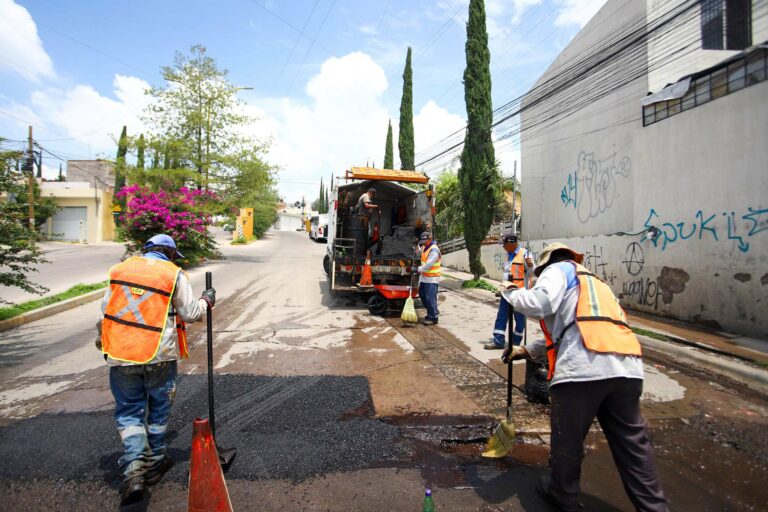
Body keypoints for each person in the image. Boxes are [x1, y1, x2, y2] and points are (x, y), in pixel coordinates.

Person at [502, 242, 667, 512]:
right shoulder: (595, 283)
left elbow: (540, 303)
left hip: (584, 368)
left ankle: (562, 493)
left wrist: (512, 293)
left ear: (545, 265)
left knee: (567, 437)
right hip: (626, 367)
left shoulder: (557, 270)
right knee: (633, 446)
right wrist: (526, 350)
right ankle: (654, 507)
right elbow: (576, 326)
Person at [96, 234, 216, 505]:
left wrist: (102, 340)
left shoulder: (121, 270)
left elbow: (106, 310)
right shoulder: (173, 274)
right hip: (159, 355)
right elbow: (190, 313)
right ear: (171, 254)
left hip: (122, 353)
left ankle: (134, 471)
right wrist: (207, 300)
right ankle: (156, 461)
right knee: (158, 409)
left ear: (146, 250)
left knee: (129, 412)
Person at [483, 232, 534, 350]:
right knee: (502, 316)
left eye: (504, 244)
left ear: (511, 244)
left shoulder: (525, 254)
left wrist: (530, 265)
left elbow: (532, 273)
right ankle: (498, 341)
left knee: (520, 320)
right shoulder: (508, 255)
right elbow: (507, 273)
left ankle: (515, 343)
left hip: (519, 293)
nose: (503, 247)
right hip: (506, 292)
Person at [417, 231, 441, 325]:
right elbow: (418, 252)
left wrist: (418, 269)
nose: (423, 241)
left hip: (432, 278)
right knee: (422, 295)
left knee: (430, 298)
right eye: (422, 240)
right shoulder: (424, 247)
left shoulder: (434, 250)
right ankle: (433, 310)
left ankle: (433, 317)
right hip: (424, 277)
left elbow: (429, 264)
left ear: (430, 239)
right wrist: (416, 245)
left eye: (425, 240)